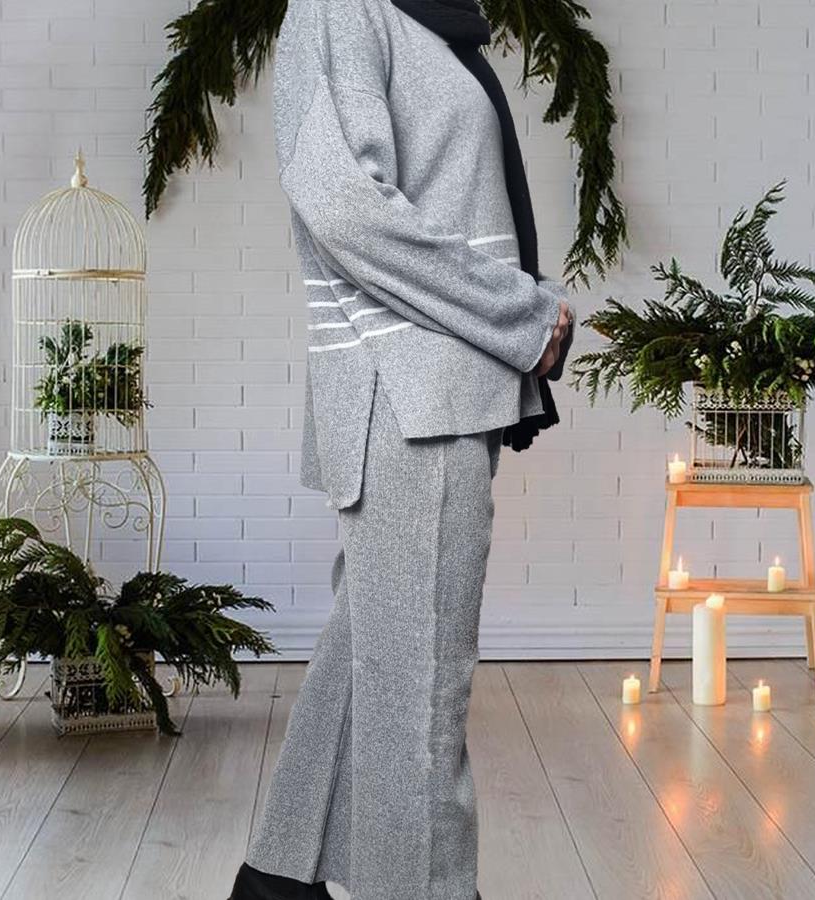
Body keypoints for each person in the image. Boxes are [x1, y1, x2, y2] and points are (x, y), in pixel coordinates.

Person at [227, 0, 572, 898]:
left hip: (428, 395)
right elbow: (345, 207)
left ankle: (275, 885)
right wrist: (520, 315)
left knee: (371, 670)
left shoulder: (426, 23)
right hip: (411, 399)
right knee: (418, 704)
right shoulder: (342, 8)